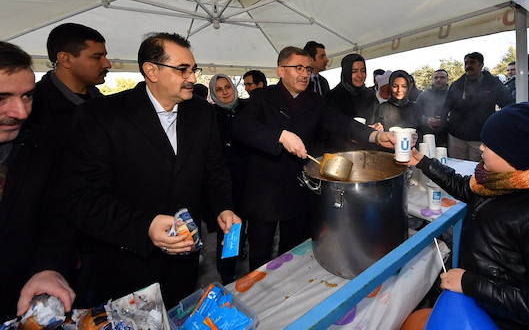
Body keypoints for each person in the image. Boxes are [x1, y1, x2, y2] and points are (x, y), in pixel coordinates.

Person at [63, 32, 241, 308]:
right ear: (151, 71)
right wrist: (144, 226)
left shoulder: (202, 113)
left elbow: (214, 169)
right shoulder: (102, 116)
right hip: (128, 264)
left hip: (185, 260)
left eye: (193, 69)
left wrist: (223, 208)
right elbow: (83, 199)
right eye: (183, 69)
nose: (192, 78)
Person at [405, 102, 529, 329]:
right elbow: (465, 188)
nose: (481, 148)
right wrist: (423, 163)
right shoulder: (503, 183)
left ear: (518, 154)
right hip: (483, 302)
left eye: (490, 144)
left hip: (502, 320)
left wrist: (470, 283)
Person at [232, 46, 395, 270]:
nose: (304, 74)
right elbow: (241, 127)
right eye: (297, 68)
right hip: (264, 192)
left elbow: (341, 124)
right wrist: (280, 136)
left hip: (298, 190)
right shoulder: (262, 97)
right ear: (281, 70)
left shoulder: (315, 101)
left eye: (307, 69)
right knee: (260, 255)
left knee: (293, 254)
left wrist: (375, 136)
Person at [0, 41, 76, 321]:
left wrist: (49, 268)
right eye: (1, 98)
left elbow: (58, 220)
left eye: (28, 96)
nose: (20, 112)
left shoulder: (41, 149)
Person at [29, 23, 111, 134]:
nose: (107, 64)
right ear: (65, 59)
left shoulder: (103, 103)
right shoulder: (32, 109)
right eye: (97, 57)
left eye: (105, 56)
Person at [209, 74, 250, 284]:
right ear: (214, 94)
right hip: (227, 181)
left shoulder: (247, 109)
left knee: (246, 222)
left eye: (227, 87)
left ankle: (242, 251)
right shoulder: (211, 115)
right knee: (228, 227)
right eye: (219, 89)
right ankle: (227, 273)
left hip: (251, 178)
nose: (225, 92)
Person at [439, 52, 513, 161]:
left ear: (481, 65)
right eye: (466, 63)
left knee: (476, 170)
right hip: (456, 137)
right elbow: (445, 109)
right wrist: (442, 134)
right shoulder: (457, 85)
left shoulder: (493, 84)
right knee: (456, 168)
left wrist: (499, 126)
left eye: (473, 62)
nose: (469, 66)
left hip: (480, 138)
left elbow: (508, 104)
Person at [415, 69, 449, 146]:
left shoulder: (452, 95)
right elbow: (414, 114)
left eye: (442, 77)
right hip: (426, 136)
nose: (438, 80)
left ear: (447, 80)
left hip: (448, 137)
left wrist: (445, 121)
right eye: (436, 78)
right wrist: (426, 120)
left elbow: (459, 116)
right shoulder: (423, 95)